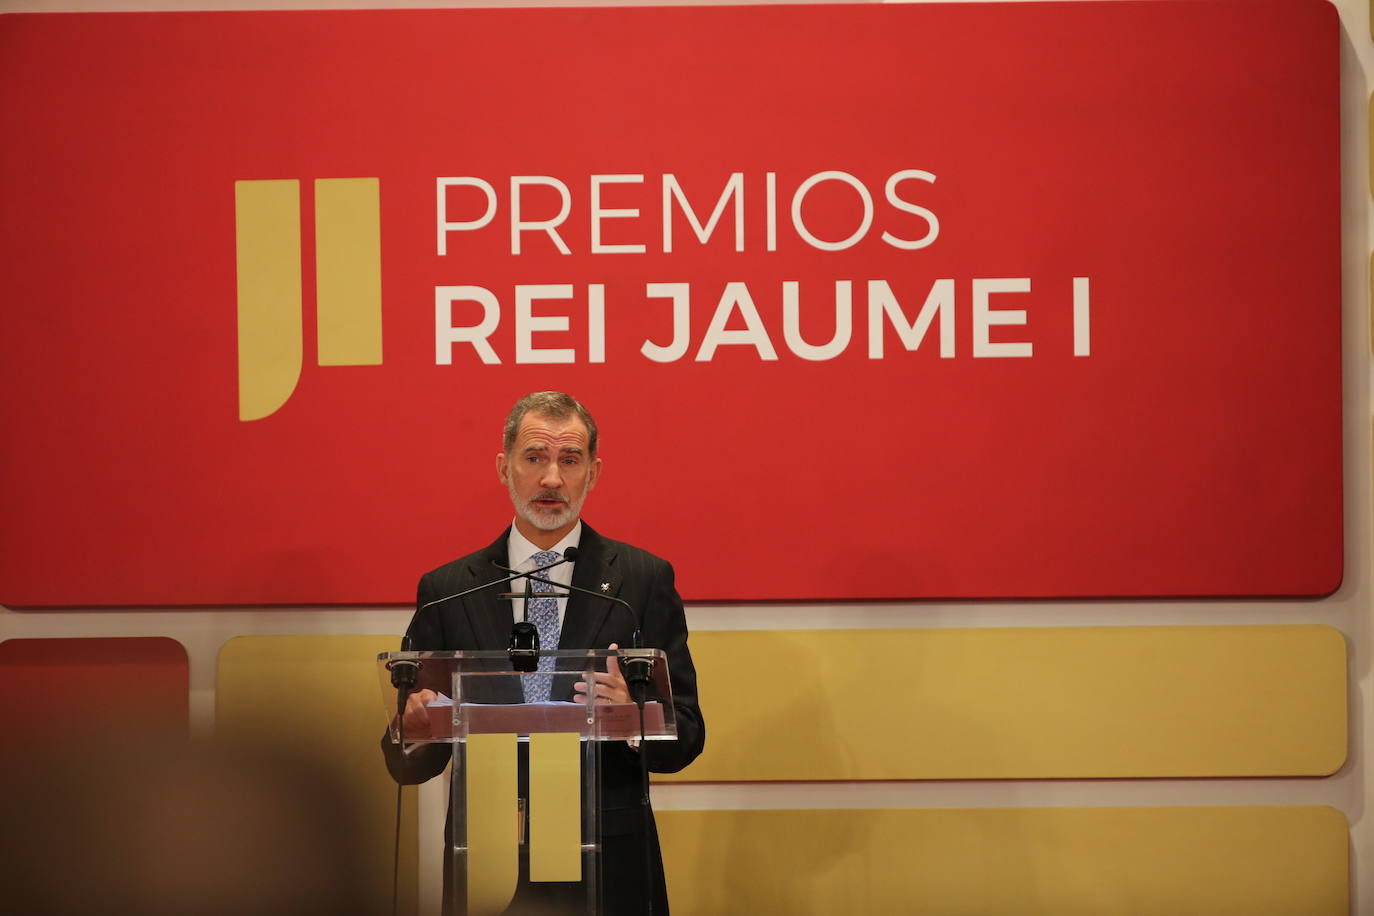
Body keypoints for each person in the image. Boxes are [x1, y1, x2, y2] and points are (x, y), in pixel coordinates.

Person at [382, 391, 705, 915]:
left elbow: (687, 735)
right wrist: (412, 729)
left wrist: (635, 715)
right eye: (534, 457)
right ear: (504, 468)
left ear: (593, 473)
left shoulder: (642, 582)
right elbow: (407, 759)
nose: (551, 478)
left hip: (611, 865)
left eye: (569, 460)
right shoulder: (446, 589)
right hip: (487, 863)